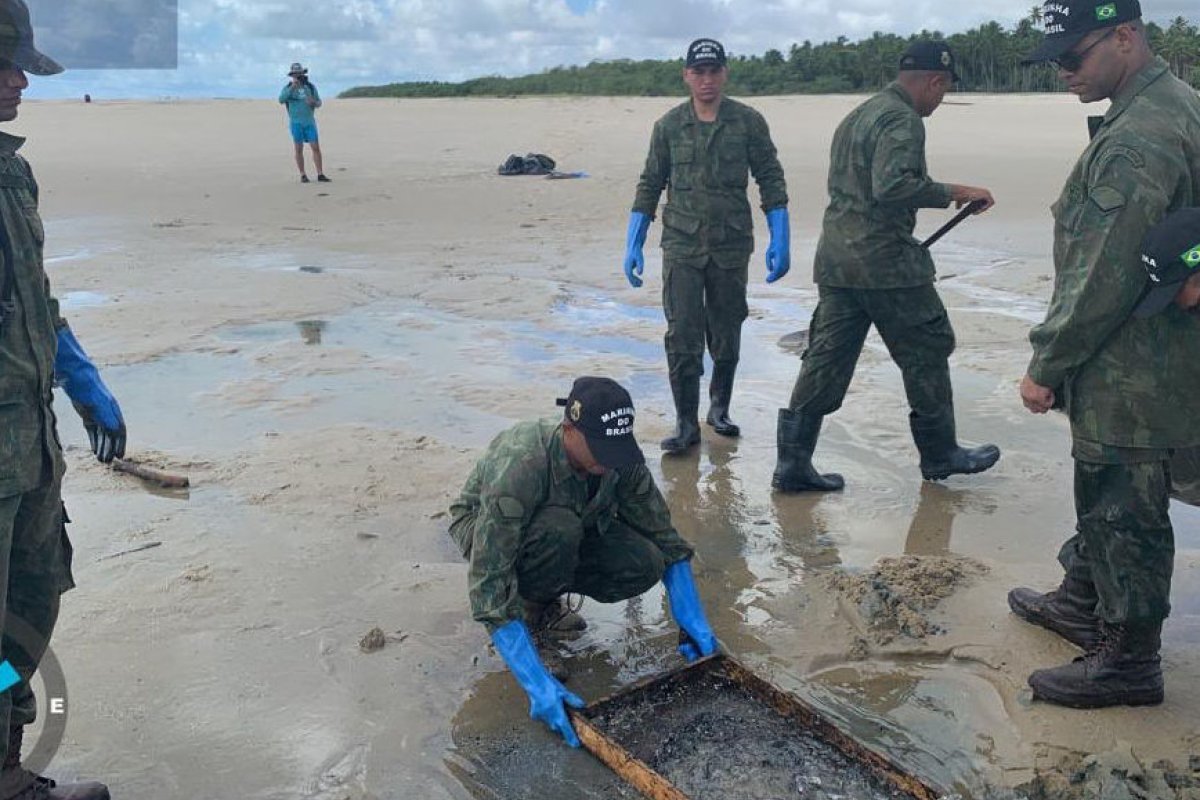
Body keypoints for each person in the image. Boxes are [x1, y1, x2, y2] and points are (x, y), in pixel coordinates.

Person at [1011, 0, 1200, 709]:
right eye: (1055, 58)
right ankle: (1081, 595)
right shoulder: (1180, 101)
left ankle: (1128, 657)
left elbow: (1104, 273)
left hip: (1136, 355)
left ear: (1125, 37)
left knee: (1122, 490)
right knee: (1114, 486)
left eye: (1074, 55)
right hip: (1168, 343)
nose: (1063, 71)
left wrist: (1048, 363)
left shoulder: (1138, 137)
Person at [771, 41, 999, 494]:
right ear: (935, 80)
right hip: (886, 265)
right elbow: (892, 186)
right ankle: (940, 453)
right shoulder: (902, 119)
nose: (941, 99)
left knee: (825, 361)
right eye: (944, 89)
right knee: (928, 349)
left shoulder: (860, 114)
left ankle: (793, 465)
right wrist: (956, 191)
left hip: (837, 261)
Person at [448, 377, 719, 746]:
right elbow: (488, 583)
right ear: (569, 429)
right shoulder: (522, 461)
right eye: (600, 447)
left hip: (573, 527)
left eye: (616, 448)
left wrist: (691, 613)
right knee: (559, 529)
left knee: (645, 560)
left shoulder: (617, 457)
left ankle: (550, 586)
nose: (610, 461)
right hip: (490, 528)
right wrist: (534, 680)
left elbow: (662, 535)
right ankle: (533, 612)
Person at [0, 2, 122, 797]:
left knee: (29, 601)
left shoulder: (12, 170)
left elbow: (34, 294)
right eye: (6, 65)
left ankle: (5, 767)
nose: (19, 82)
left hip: (28, 444)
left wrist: (79, 375)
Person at [624, 38, 791, 455]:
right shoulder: (668, 126)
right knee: (682, 335)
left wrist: (780, 235)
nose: (706, 80)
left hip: (731, 245)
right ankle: (685, 423)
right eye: (698, 72)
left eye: (714, 71)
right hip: (681, 244)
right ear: (686, 75)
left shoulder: (748, 122)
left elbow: (770, 178)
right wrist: (634, 240)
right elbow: (651, 183)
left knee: (727, 330)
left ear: (724, 73)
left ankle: (719, 408)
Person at [278, 62, 329, 184]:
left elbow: (319, 103)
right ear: (292, 75)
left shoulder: (310, 87)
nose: (298, 76)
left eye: (299, 74)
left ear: (303, 74)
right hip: (296, 123)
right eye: (295, 74)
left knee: (315, 147)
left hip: (309, 122)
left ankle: (320, 174)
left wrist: (313, 102)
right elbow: (281, 99)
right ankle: (303, 175)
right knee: (298, 148)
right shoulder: (288, 88)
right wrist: (292, 88)